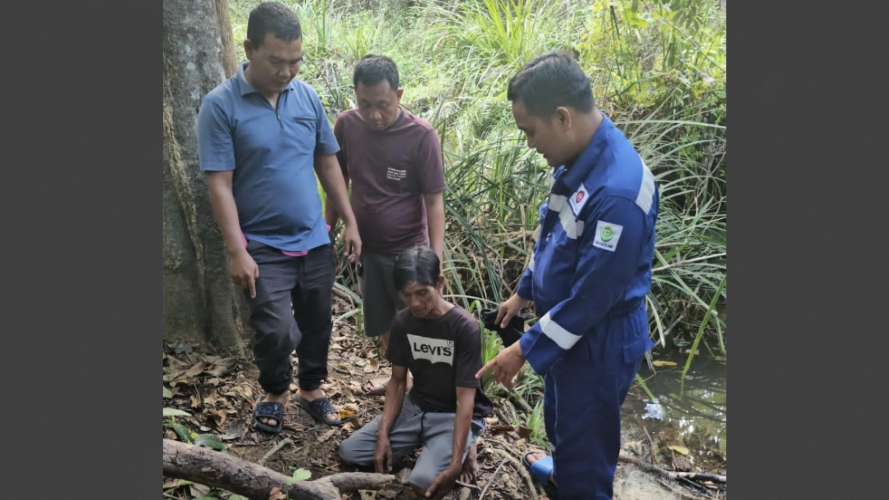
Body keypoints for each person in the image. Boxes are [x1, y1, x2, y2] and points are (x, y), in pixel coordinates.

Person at [477, 51, 659, 500]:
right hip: (566, 329)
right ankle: (562, 470)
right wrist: (523, 293)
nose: (529, 144)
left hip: (600, 339)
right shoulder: (578, 158)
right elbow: (553, 230)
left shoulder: (617, 193)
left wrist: (524, 348)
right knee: (561, 417)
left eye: (530, 132)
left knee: (587, 445)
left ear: (562, 117)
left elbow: (592, 300)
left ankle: (578, 484)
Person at [197, 2, 361, 433]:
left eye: (295, 61)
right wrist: (237, 250)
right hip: (262, 244)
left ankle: (311, 388)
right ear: (249, 48)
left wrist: (349, 221)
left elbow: (328, 163)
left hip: (314, 236)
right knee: (274, 330)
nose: (287, 71)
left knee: (316, 322)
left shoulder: (306, 96)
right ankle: (274, 391)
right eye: (276, 61)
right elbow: (219, 184)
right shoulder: (220, 106)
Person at [324, 55, 446, 396]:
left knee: (420, 318)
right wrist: (328, 229)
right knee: (384, 322)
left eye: (383, 105)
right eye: (365, 104)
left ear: (400, 95)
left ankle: (429, 385)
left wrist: (434, 261)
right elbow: (339, 180)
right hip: (368, 249)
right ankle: (399, 379)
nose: (374, 115)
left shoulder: (421, 136)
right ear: (355, 95)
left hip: (409, 250)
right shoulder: (347, 125)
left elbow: (434, 202)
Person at [338, 247, 493, 499]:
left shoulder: (464, 327)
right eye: (406, 295)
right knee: (350, 452)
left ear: (439, 283)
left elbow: (466, 399)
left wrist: (455, 463)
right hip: (416, 406)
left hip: (452, 413)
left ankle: (466, 443)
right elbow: (398, 381)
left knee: (423, 484)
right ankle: (426, 443)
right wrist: (383, 434)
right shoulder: (403, 321)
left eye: (423, 293)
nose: (415, 303)